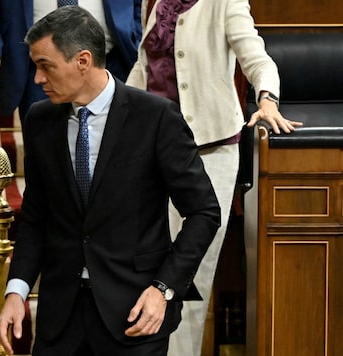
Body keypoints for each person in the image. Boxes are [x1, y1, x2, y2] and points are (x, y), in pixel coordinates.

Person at [0, 6, 221, 355]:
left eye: (45, 65)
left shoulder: (156, 118)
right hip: (61, 320)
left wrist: (163, 289)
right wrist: (17, 291)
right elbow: (36, 217)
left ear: (82, 61)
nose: (37, 79)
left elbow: (204, 212)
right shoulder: (39, 119)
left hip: (135, 315)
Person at [125, 0, 303, 355]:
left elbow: (255, 56)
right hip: (151, 152)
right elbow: (144, 70)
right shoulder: (154, 2)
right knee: (148, 270)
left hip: (209, 151)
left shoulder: (225, 0)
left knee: (189, 278)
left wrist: (267, 98)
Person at [0, 0, 143, 120]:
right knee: (46, 164)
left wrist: (137, 30)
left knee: (117, 161)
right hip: (39, 73)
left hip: (113, 62)